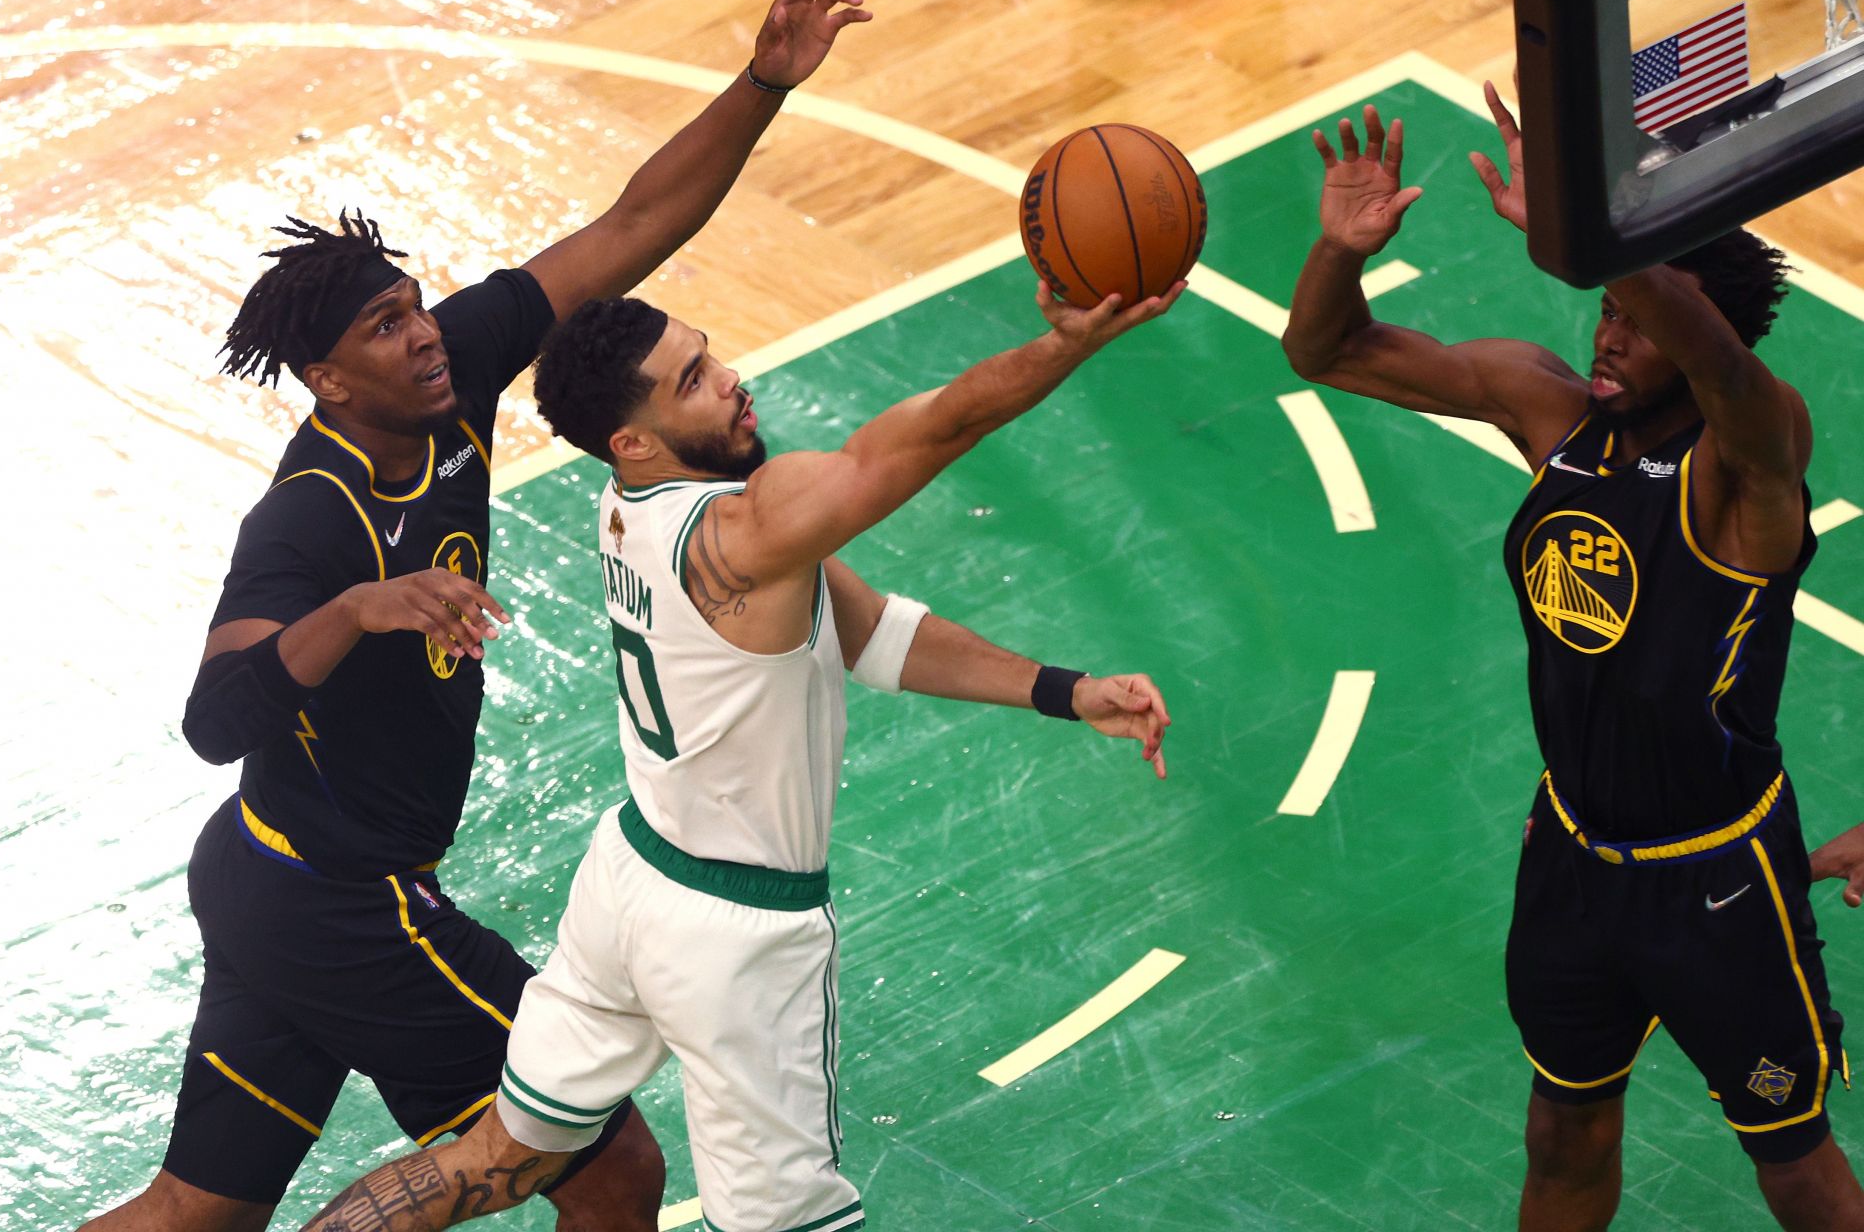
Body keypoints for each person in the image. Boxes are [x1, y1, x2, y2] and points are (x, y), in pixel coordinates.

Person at [81, 0, 872, 1232]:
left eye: (413, 305)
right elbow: (214, 713)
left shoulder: (454, 376)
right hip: (346, 895)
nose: (424, 334)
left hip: (269, 877)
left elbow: (631, 224)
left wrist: (765, 79)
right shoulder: (311, 517)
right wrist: (360, 611)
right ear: (330, 380)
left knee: (192, 1212)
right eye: (388, 329)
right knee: (613, 1169)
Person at [298, 277, 1182, 1231]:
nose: (729, 380)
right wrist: (1068, 344)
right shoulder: (744, 532)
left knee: (493, 1162)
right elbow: (935, 431)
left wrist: (1064, 690)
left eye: (709, 354)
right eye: (693, 380)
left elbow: (868, 631)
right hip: (737, 937)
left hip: (628, 881)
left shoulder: (631, 501)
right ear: (633, 437)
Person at [1280, 87, 1864, 1230]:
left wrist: (1609, 232)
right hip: (1574, 857)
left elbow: (1721, 363)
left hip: (1717, 876)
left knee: (1792, 1165)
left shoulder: (1750, 460)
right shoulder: (1548, 410)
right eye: (1603, 306)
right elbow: (1324, 348)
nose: (1610, 331)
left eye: (1636, 317)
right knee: (1562, 1127)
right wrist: (1337, 252)